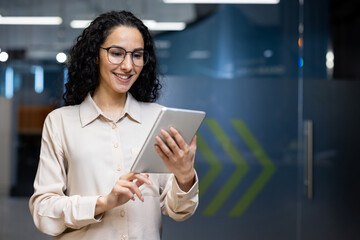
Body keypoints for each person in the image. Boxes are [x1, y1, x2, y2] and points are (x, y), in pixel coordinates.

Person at [29, 10, 199, 240]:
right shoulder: (61, 122)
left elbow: (179, 211)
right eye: (117, 53)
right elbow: (44, 212)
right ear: (95, 55)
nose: (128, 65)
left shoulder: (158, 119)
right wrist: (103, 203)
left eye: (137, 55)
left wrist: (185, 176)